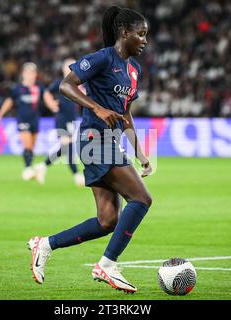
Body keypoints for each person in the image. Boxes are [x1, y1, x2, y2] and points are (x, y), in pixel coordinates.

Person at [27, 6, 152, 293]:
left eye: (146, 35)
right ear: (124, 33)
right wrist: (96, 106)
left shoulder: (135, 70)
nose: (144, 40)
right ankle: (107, 265)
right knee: (142, 199)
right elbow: (65, 86)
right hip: (94, 140)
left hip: (110, 142)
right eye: (140, 34)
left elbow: (126, 114)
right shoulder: (101, 59)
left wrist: (140, 153)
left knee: (107, 221)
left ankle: (44, 245)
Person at [0, 62, 57, 181]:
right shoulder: (18, 89)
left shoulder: (39, 87)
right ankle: (27, 169)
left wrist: (53, 106)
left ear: (35, 74)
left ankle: (28, 167)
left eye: (32, 72)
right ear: (23, 74)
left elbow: (47, 97)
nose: (30, 75)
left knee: (31, 148)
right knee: (27, 145)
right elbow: (9, 102)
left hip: (35, 120)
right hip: (23, 120)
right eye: (28, 72)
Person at [34, 58, 85, 186]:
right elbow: (46, 93)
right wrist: (51, 104)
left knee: (65, 148)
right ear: (63, 69)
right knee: (68, 147)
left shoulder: (77, 82)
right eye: (69, 66)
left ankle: (43, 166)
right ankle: (76, 175)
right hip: (62, 117)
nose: (72, 68)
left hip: (72, 118)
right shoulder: (60, 82)